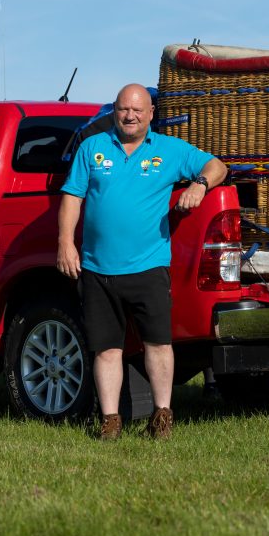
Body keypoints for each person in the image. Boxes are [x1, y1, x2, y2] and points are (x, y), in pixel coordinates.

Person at [57, 83, 227, 440]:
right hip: (97, 268)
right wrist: (65, 244)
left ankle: (163, 415)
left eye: (137, 110)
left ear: (151, 113)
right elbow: (72, 197)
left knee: (158, 344)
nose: (130, 116)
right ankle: (110, 420)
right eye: (123, 109)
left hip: (149, 267)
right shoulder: (93, 148)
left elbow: (217, 166)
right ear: (114, 112)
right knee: (106, 349)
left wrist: (199, 185)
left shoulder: (169, 150)